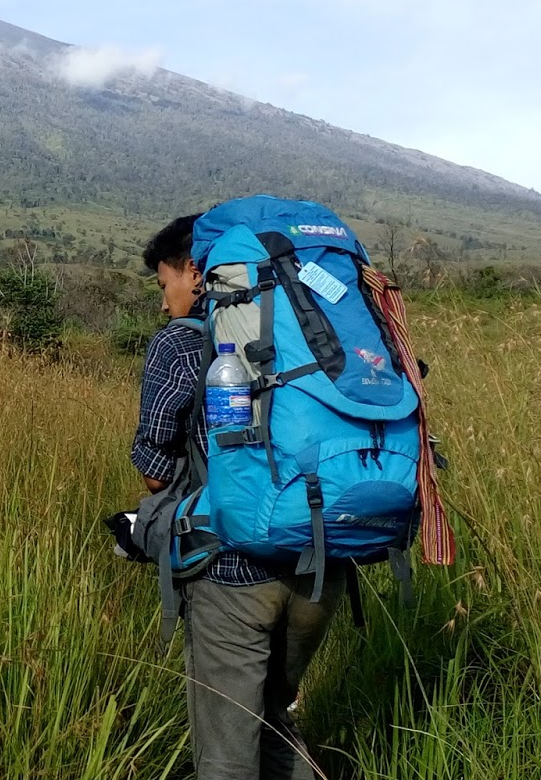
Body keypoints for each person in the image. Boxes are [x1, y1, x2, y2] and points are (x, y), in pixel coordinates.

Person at [131, 214, 346, 780]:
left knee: (226, 758)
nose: (163, 303)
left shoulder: (183, 340)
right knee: (274, 724)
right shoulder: (312, 325)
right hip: (323, 562)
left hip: (234, 570)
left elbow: (154, 469)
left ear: (196, 273)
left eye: (164, 285)